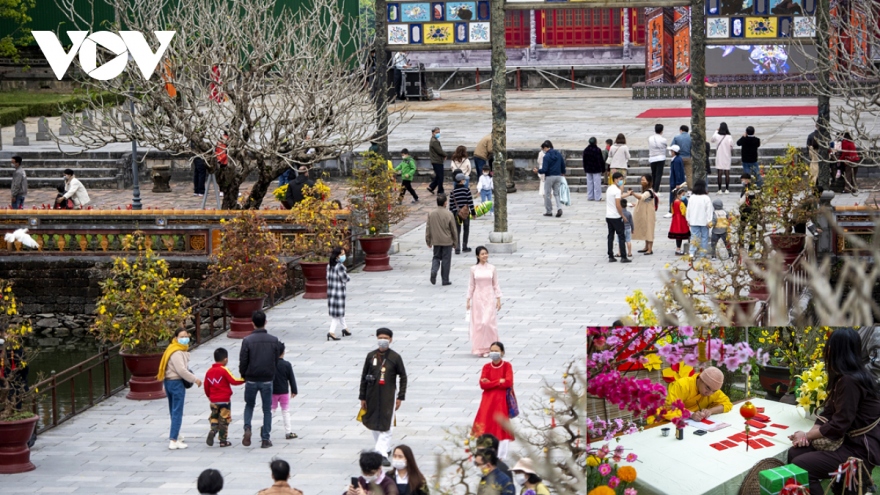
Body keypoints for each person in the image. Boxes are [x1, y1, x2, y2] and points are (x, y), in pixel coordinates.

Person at [788, 328, 880, 495]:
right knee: (795, 451)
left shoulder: (850, 381)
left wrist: (807, 436)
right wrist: (809, 433)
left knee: (800, 465)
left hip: (859, 448)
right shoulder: (845, 376)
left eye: (829, 347)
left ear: (835, 351)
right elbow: (828, 412)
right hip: (847, 441)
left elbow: (839, 424)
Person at [359, 328, 408, 467]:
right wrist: (362, 397)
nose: (383, 340)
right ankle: (384, 448)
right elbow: (363, 377)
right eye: (380, 337)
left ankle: (381, 454)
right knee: (374, 423)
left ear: (391, 340)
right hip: (371, 395)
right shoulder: (370, 356)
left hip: (388, 396)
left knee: (387, 424)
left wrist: (400, 396)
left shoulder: (395, 357)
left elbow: (403, 376)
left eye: (386, 338)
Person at [240, 310, 283, 448]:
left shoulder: (247, 341)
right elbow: (276, 360)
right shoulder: (273, 340)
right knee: (266, 409)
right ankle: (265, 438)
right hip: (267, 379)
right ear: (265, 322)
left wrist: (244, 375)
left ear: (252, 323)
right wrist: (272, 373)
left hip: (251, 378)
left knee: (249, 405)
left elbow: (243, 361)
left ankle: (247, 427)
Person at [157, 328, 202, 450]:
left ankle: (176, 433)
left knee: (173, 410)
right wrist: (195, 379)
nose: (184, 338)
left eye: (186, 336)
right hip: (176, 383)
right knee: (177, 411)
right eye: (181, 336)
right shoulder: (177, 352)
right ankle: (173, 440)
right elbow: (181, 370)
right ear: (176, 338)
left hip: (169, 382)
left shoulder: (172, 348)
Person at [473, 342, 514, 459]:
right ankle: (485, 454)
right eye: (491, 350)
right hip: (487, 402)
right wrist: (498, 381)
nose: (493, 353)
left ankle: (501, 456)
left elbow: (508, 382)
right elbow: (482, 384)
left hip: (501, 402)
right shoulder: (486, 367)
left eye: (496, 351)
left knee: (501, 428)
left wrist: (491, 382)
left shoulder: (507, 366)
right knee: (485, 426)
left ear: (502, 352)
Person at [203, 347, 244, 448]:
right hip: (224, 400)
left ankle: (213, 430)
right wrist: (245, 379)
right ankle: (223, 440)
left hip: (213, 400)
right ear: (225, 359)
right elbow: (233, 380)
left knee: (214, 417)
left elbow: (206, 385)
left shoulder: (209, 371)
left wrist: (209, 396)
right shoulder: (224, 370)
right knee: (224, 420)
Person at [467, 247, 502, 357]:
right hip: (478, 298)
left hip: (489, 298)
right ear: (477, 256)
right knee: (479, 323)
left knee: (488, 323)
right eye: (482, 254)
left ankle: (491, 347)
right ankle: (480, 348)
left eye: (486, 253)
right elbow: (471, 285)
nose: (485, 256)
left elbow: (495, 284)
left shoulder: (492, 268)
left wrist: (498, 298)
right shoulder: (473, 269)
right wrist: (468, 299)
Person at [663, 366, 732, 420]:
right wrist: (690, 415)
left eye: (714, 391)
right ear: (700, 379)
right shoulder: (681, 385)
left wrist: (710, 411)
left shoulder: (713, 389)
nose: (709, 393)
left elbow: (727, 404)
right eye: (707, 388)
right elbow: (669, 409)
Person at [425, 193, 458, 286]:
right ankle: (445, 279)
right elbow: (453, 229)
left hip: (436, 240)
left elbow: (428, 228)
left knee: (436, 257)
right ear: (445, 203)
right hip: (447, 240)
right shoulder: (449, 214)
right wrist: (455, 242)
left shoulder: (431, 213)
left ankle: (434, 270)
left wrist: (428, 240)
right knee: (446, 260)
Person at [532, 140, 566, 218]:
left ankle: (549, 211)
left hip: (549, 176)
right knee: (556, 193)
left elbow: (544, 169)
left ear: (545, 148)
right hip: (558, 176)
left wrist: (538, 171)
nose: (543, 151)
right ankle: (559, 208)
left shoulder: (546, 156)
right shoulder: (558, 154)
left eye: (543, 149)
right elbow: (562, 165)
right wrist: (563, 173)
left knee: (547, 194)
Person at [272, 343, 298, 440]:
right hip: (284, 392)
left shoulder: (270, 364)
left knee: (271, 411)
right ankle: (288, 432)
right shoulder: (287, 364)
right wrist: (294, 390)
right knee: (285, 411)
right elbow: (291, 378)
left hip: (272, 391)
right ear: (283, 352)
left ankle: (266, 429)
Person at [327, 247, 352, 341]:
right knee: (337, 314)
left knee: (339, 311)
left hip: (331, 292)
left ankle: (345, 329)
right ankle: (331, 332)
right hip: (339, 292)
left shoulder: (329, 265)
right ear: (337, 255)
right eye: (342, 254)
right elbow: (345, 278)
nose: (343, 256)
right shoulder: (340, 266)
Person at [606, 172, 631, 263]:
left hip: (609, 216)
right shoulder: (616, 190)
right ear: (616, 179)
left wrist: (627, 194)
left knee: (610, 236)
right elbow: (618, 204)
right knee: (621, 236)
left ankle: (610, 255)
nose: (621, 181)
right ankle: (623, 256)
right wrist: (622, 215)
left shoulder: (610, 189)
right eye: (620, 179)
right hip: (616, 216)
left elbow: (619, 197)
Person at [686, 179, 715, 259]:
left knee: (694, 237)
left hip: (694, 220)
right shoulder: (706, 198)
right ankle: (703, 254)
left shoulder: (692, 197)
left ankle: (692, 253)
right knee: (704, 237)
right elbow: (709, 210)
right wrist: (709, 221)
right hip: (704, 221)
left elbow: (688, 209)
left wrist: (688, 219)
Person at [631, 173, 657, 256]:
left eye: (644, 180)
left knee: (649, 230)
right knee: (646, 229)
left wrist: (633, 194)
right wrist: (635, 204)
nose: (642, 182)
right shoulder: (646, 191)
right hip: (645, 213)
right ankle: (646, 247)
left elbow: (641, 197)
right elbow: (644, 200)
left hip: (649, 214)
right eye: (641, 180)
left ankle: (650, 249)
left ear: (648, 181)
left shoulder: (649, 191)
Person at [449, 173, 476, 254]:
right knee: (466, 229)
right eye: (464, 179)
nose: (465, 181)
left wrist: (453, 213)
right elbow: (470, 202)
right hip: (465, 213)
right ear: (461, 181)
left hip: (456, 214)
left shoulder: (453, 192)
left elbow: (451, 205)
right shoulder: (466, 190)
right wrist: (473, 213)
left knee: (457, 230)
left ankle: (457, 248)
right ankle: (464, 246)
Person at [738, 173, 760, 252]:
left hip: (749, 210)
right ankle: (750, 246)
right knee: (751, 229)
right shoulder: (746, 188)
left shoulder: (751, 188)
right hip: (750, 211)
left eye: (743, 180)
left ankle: (745, 246)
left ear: (747, 179)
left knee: (744, 229)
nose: (742, 181)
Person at [711, 122, 733, 194]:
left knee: (719, 173)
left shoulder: (717, 135)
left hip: (719, 156)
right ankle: (727, 189)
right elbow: (731, 146)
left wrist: (716, 131)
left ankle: (719, 189)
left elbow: (712, 139)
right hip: (727, 156)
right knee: (727, 172)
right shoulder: (729, 137)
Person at [665, 145, 686, 218]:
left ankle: (671, 211)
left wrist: (677, 183)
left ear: (674, 152)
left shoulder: (676, 160)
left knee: (673, 196)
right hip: (675, 181)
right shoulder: (677, 159)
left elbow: (677, 172)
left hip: (675, 182)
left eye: (671, 151)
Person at [668, 188, 690, 256]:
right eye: (682, 194)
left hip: (675, 219)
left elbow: (672, 211)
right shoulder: (681, 203)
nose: (683, 196)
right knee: (684, 233)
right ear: (678, 195)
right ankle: (683, 248)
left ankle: (678, 248)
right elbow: (684, 212)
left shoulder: (673, 202)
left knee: (678, 235)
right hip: (681, 220)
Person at [582, 137, 604, 201]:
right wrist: (603, 169)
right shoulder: (597, 150)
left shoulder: (586, 150)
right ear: (595, 142)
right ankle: (597, 197)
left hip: (588, 168)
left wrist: (585, 168)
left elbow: (584, 160)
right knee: (597, 183)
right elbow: (601, 160)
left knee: (589, 183)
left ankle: (590, 196)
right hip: (596, 169)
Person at [648, 124, 667, 192]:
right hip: (661, 157)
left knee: (653, 173)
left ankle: (652, 187)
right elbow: (665, 147)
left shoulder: (650, 138)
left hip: (652, 157)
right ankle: (656, 189)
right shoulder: (663, 139)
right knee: (659, 174)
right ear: (662, 130)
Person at [427, 127, 446, 195]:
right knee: (440, 176)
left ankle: (431, 187)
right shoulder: (434, 141)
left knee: (438, 175)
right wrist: (445, 155)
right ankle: (440, 191)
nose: (438, 134)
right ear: (433, 133)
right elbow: (439, 151)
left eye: (439, 132)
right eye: (436, 132)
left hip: (436, 160)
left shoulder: (434, 140)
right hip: (437, 161)